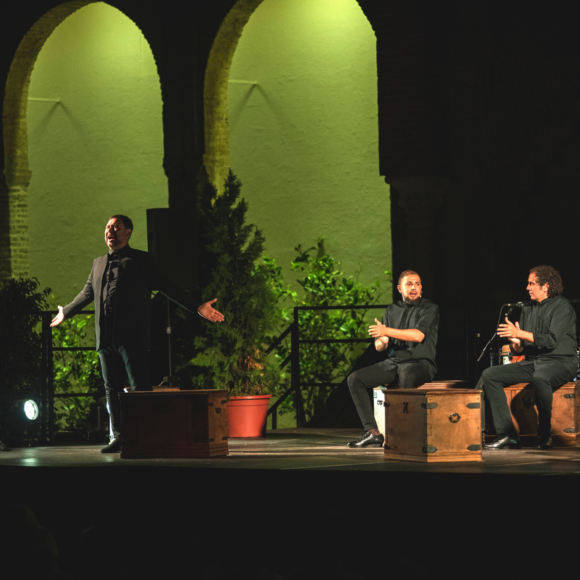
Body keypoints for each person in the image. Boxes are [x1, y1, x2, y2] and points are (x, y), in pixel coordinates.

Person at [50, 215, 224, 453]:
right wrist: (66, 312)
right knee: (111, 387)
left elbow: (166, 285)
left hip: (131, 336)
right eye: (108, 227)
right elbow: (86, 294)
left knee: (139, 387)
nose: (110, 231)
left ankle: (145, 436)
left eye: (116, 227)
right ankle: (119, 437)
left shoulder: (141, 260)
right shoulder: (98, 263)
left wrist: (196, 306)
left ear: (128, 232)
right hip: (106, 337)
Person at [482, 266, 577, 450]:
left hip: (562, 361)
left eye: (531, 283)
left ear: (545, 286)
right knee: (490, 374)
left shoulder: (562, 306)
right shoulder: (527, 308)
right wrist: (516, 341)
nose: (527, 288)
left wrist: (521, 333)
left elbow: (551, 340)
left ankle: (544, 435)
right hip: (535, 361)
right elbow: (521, 348)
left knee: (541, 377)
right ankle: (507, 435)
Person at [346, 270, 439, 448]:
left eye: (417, 284)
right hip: (394, 362)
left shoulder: (429, 308)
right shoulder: (391, 310)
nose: (414, 288)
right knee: (354, 379)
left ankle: (406, 433)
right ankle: (373, 433)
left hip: (420, 363)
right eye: (409, 284)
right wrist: (381, 338)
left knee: (407, 376)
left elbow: (418, 336)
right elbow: (380, 346)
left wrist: (386, 331)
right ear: (399, 288)